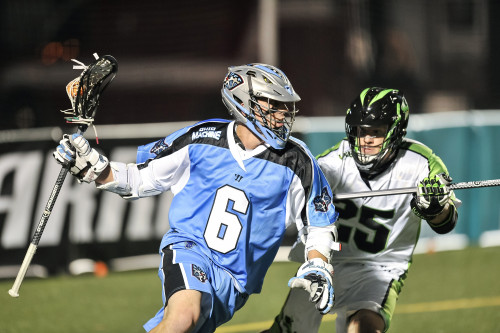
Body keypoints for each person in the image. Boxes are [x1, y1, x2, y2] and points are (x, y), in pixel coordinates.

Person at [53, 63, 341, 333]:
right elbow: (138, 179)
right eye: (273, 105)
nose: (282, 114)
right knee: (182, 318)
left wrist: (317, 264)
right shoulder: (202, 138)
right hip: (191, 248)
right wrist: (93, 168)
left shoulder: (297, 161)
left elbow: (318, 223)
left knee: (177, 326)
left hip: (235, 282)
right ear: (244, 102)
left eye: (285, 106)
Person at [263, 87, 461, 333]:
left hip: (381, 268)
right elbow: (294, 203)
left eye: (375, 132)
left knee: (365, 329)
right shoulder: (332, 163)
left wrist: (434, 208)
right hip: (328, 261)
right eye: (360, 131)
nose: (366, 139)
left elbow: (446, 222)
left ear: (395, 131)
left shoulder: (422, 164)